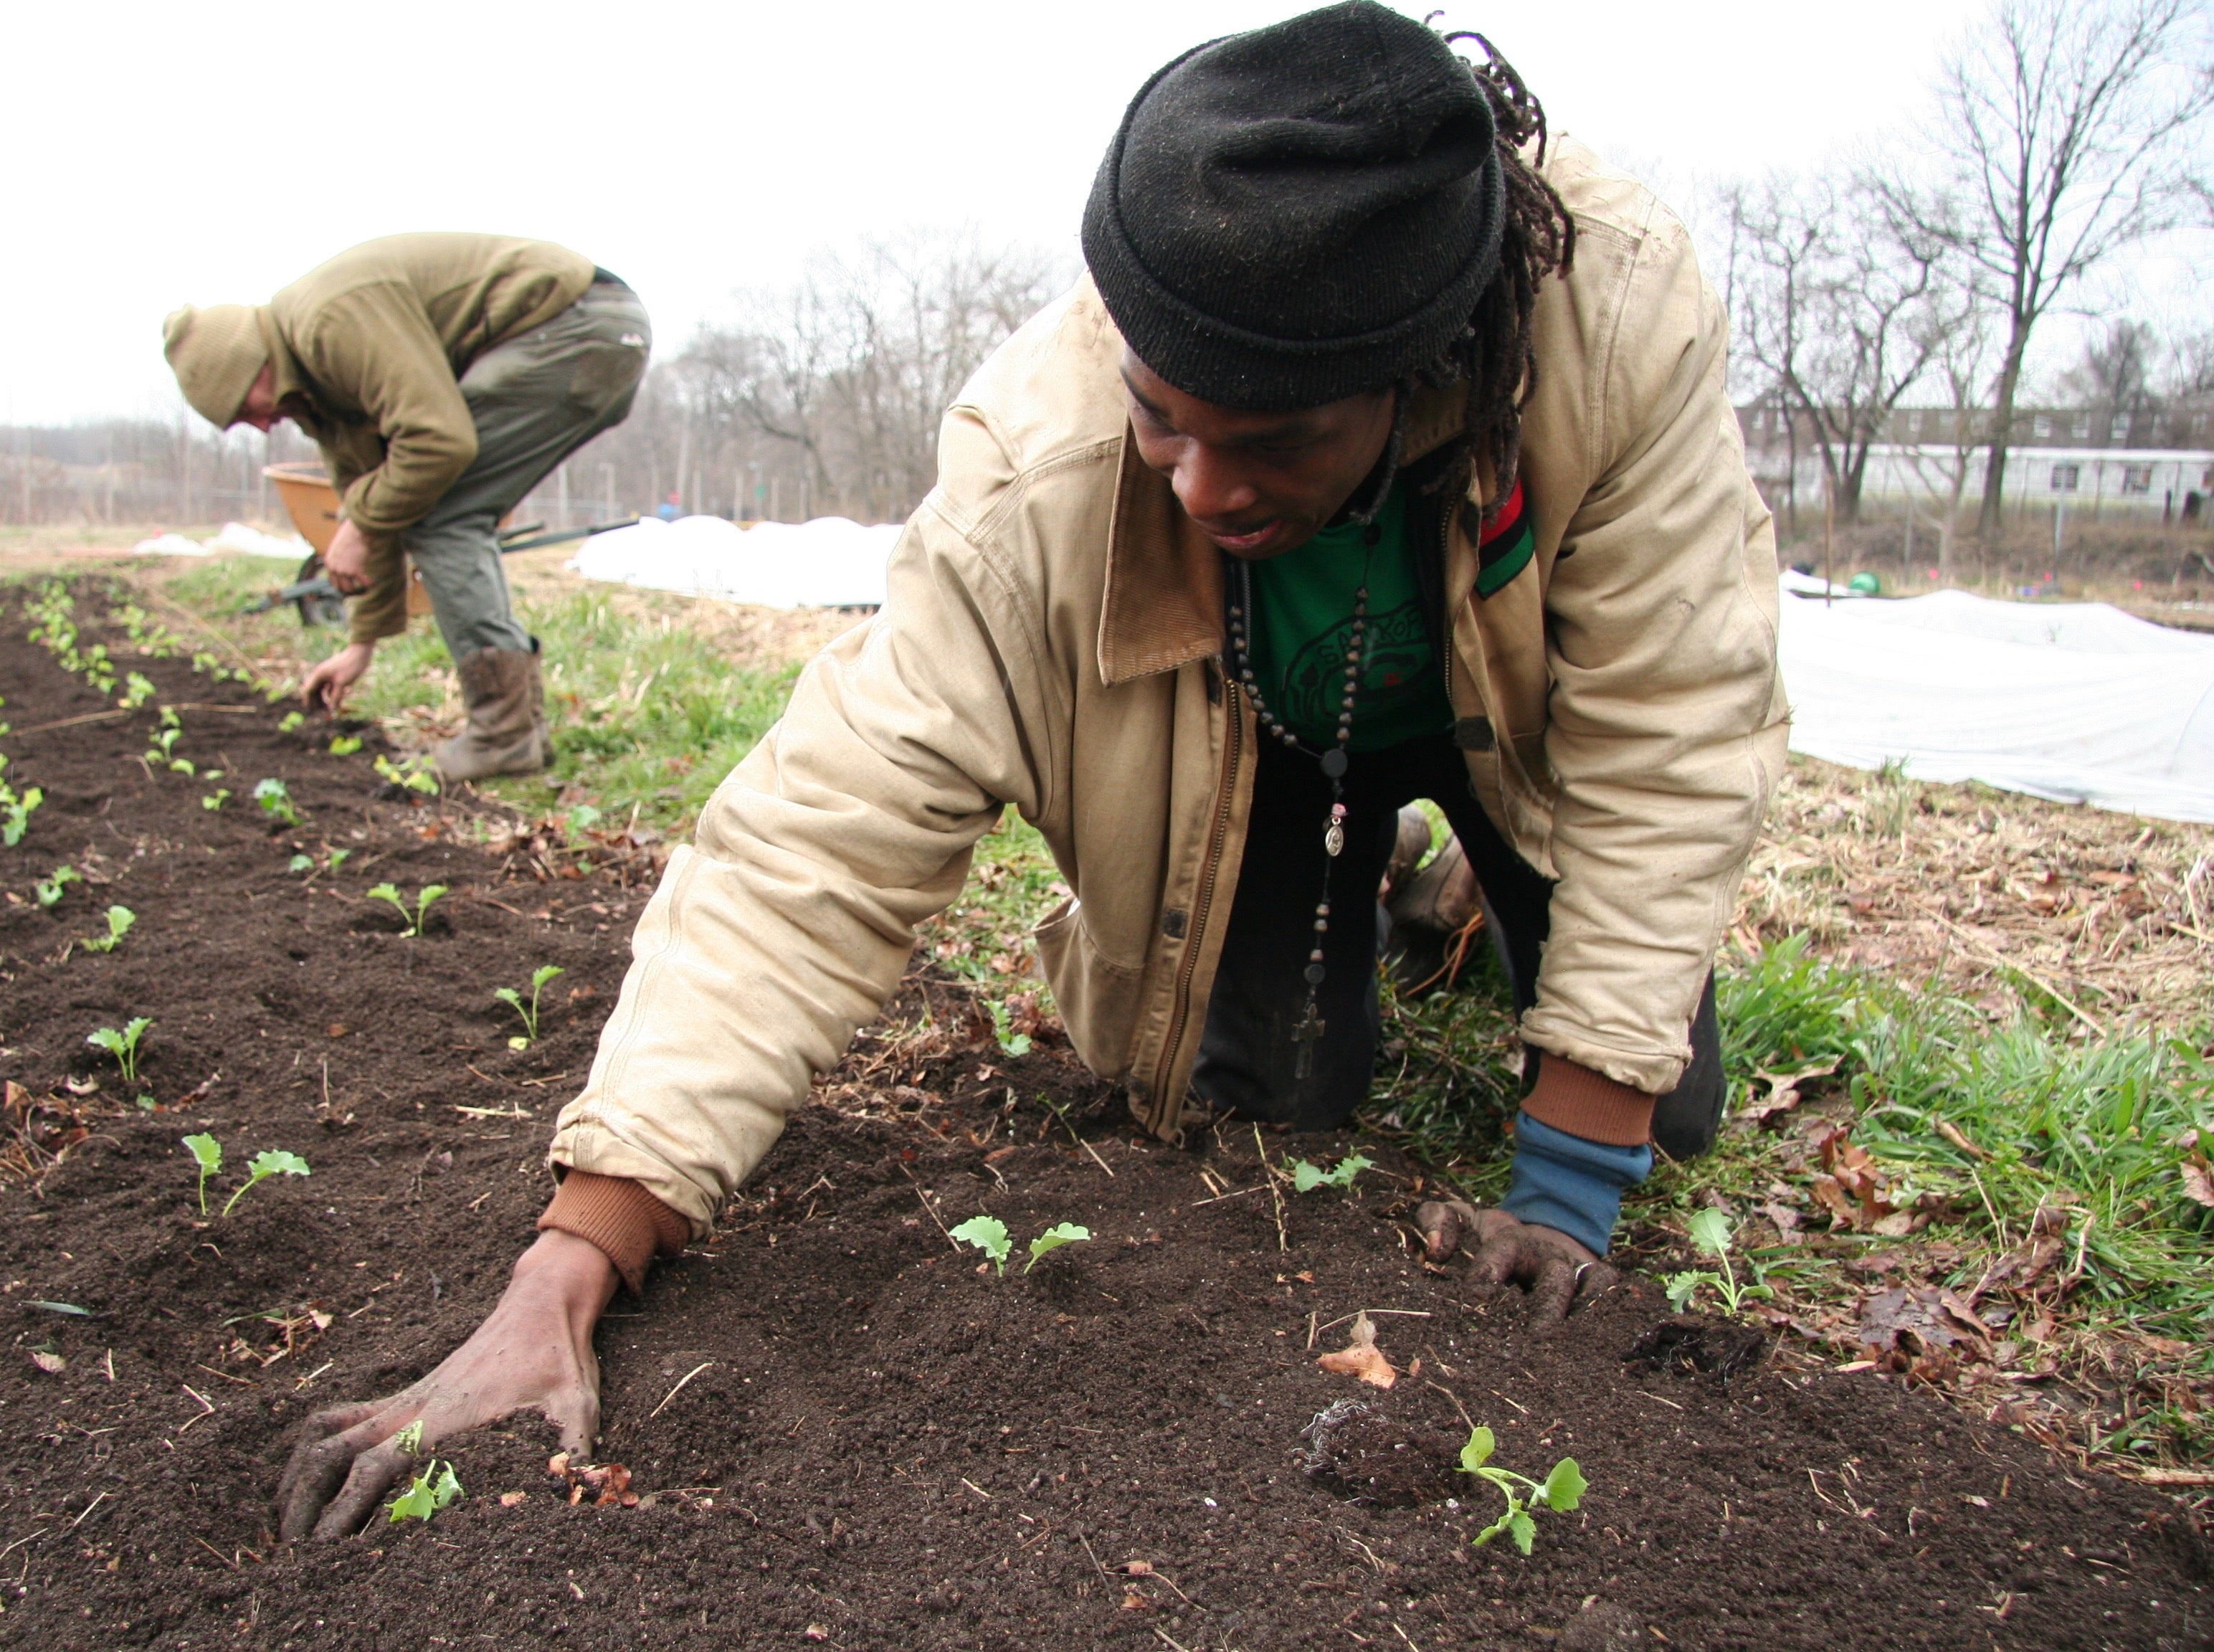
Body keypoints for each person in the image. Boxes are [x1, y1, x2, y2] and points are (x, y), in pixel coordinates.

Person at [272, 3, 1787, 1541]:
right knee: (1254, 1097)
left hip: (1507, 717)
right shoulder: (1044, 459)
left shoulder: (1611, 324)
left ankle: (1467, 872)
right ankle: (1389, 879)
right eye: (1161, 417)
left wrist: (1571, 1180)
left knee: (1662, 1113)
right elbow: (819, 843)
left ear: (1424, 374)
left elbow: (1672, 726)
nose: (1198, 484)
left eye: (1272, 442)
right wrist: (572, 1261)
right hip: (1259, 723)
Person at [163, 234, 651, 779]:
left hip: (579, 325)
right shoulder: (317, 396)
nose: (257, 427)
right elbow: (379, 504)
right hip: (589, 329)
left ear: (250, 366)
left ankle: (504, 734)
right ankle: (519, 732)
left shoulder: (329, 323)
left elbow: (437, 442)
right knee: (436, 505)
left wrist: (363, 520)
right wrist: (360, 645)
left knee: (441, 507)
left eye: (241, 411)